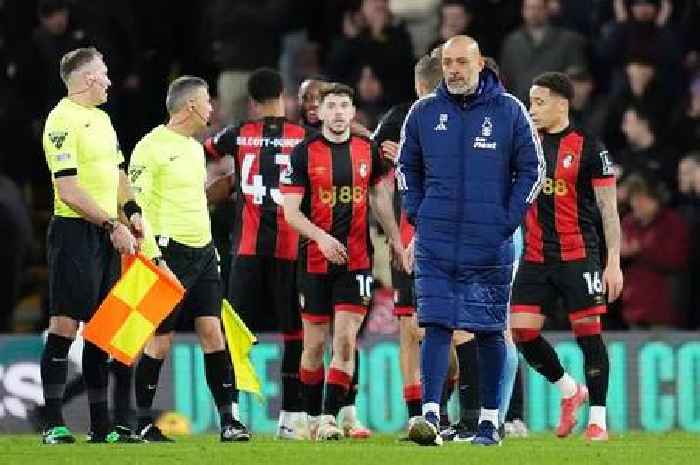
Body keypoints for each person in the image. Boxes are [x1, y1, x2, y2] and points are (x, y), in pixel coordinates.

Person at [398, 35, 544, 447]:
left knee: (490, 331)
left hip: (489, 241)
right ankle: (429, 416)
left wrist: (506, 220)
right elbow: (406, 166)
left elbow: (532, 171)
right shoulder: (423, 112)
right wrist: (417, 212)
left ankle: (490, 422)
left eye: (462, 62)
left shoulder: (509, 110)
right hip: (437, 240)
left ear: (481, 64)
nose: (454, 70)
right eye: (448, 63)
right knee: (436, 325)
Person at [40, 47, 159, 444]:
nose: (109, 80)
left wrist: (133, 212)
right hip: (75, 232)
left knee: (106, 328)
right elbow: (68, 188)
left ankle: (102, 426)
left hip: (110, 233)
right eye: (104, 73)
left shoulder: (104, 121)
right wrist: (111, 224)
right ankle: (53, 423)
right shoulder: (61, 120)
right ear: (89, 78)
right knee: (65, 324)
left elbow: (119, 173)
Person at [129, 76, 249, 443]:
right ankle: (144, 422)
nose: (212, 107)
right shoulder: (149, 147)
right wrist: (155, 258)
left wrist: (211, 247)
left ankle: (229, 420)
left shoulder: (196, 149)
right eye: (208, 101)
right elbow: (136, 209)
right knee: (159, 341)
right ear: (191, 106)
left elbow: (196, 203)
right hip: (167, 254)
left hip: (202, 253)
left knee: (213, 334)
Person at [282, 83, 403, 440]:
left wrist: (395, 240)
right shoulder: (303, 153)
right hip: (315, 262)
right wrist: (320, 237)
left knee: (346, 340)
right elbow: (290, 212)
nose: (337, 112)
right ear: (318, 113)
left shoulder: (368, 150)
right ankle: (309, 415)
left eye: (344, 106)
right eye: (330, 105)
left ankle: (329, 418)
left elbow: (381, 196)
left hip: (357, 261)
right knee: (314, 345)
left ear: (353, 113)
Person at [511, 71, 624, 442]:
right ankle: (569, 390)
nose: (533, 109)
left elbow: (609, 210)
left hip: (579, 254)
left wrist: (613, 262)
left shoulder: (589, 146)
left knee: (589, 336)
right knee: (522, 332)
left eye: (540, 102)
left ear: (563, 104)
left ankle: (598, 421)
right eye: (531, 102)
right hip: (537, 255)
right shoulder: (524, 144)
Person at [204, 68, 307, 439]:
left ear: (250, 102)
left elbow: (199, 150)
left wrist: (226, 185)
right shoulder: (304, 138)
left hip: (246, 252)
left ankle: (230, 417)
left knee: (233, 334)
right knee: (294, 334)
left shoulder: (238, 135)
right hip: (290, 249)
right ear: (284, 95)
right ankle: (292, 418)